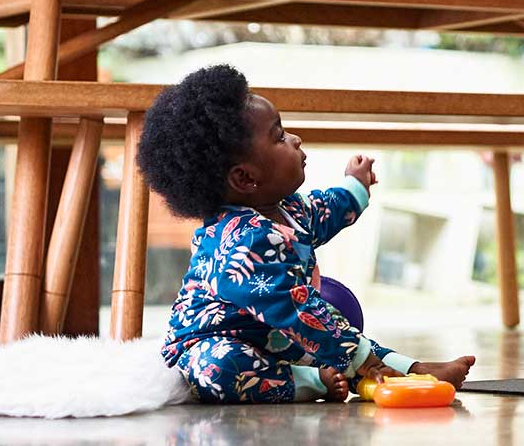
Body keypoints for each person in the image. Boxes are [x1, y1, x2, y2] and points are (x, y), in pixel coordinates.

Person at [139, 65, 475, 403]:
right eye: (279, 136)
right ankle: (310, 381)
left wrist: (354, 186)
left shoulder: (288, 209)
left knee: (330, 334)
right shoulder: (240, 243)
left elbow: (326, 209)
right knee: (220, 367)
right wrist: (361, 360)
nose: (295, 139)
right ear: (246, 178)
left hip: (275, 337)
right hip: (211, 345)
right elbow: (296, 311)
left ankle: (411, 368)